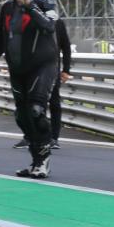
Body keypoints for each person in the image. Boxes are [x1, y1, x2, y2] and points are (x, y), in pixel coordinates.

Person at [0, 0, 59, 179]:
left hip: (43, 65)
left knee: (36, 110)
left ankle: (44, 159)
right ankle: (36, 160)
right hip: (18, 69)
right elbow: (0, 39)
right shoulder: (7, 8)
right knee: (22, 116)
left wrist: (29, 5)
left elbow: (50, 26)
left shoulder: (45, 2)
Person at [12, 18, 71, 150]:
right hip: (31, 70)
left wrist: (66, 69)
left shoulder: (57, 23)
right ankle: (30, 136)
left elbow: (66, 46)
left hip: (51, 70)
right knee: (30, 104)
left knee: (54, 102)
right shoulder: (29, 19)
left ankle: (54, 138)